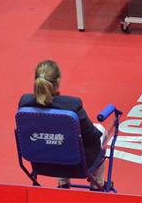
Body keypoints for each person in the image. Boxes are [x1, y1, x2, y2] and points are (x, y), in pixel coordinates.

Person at [18, 60, 109, 189]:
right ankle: (97, 184)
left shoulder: (24, 103)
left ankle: (63, 183)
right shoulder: (72, 106)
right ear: (58, 81)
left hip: (41, 162)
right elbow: (91, 136)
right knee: (100, 130)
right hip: (78, 164)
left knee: (55, 139)